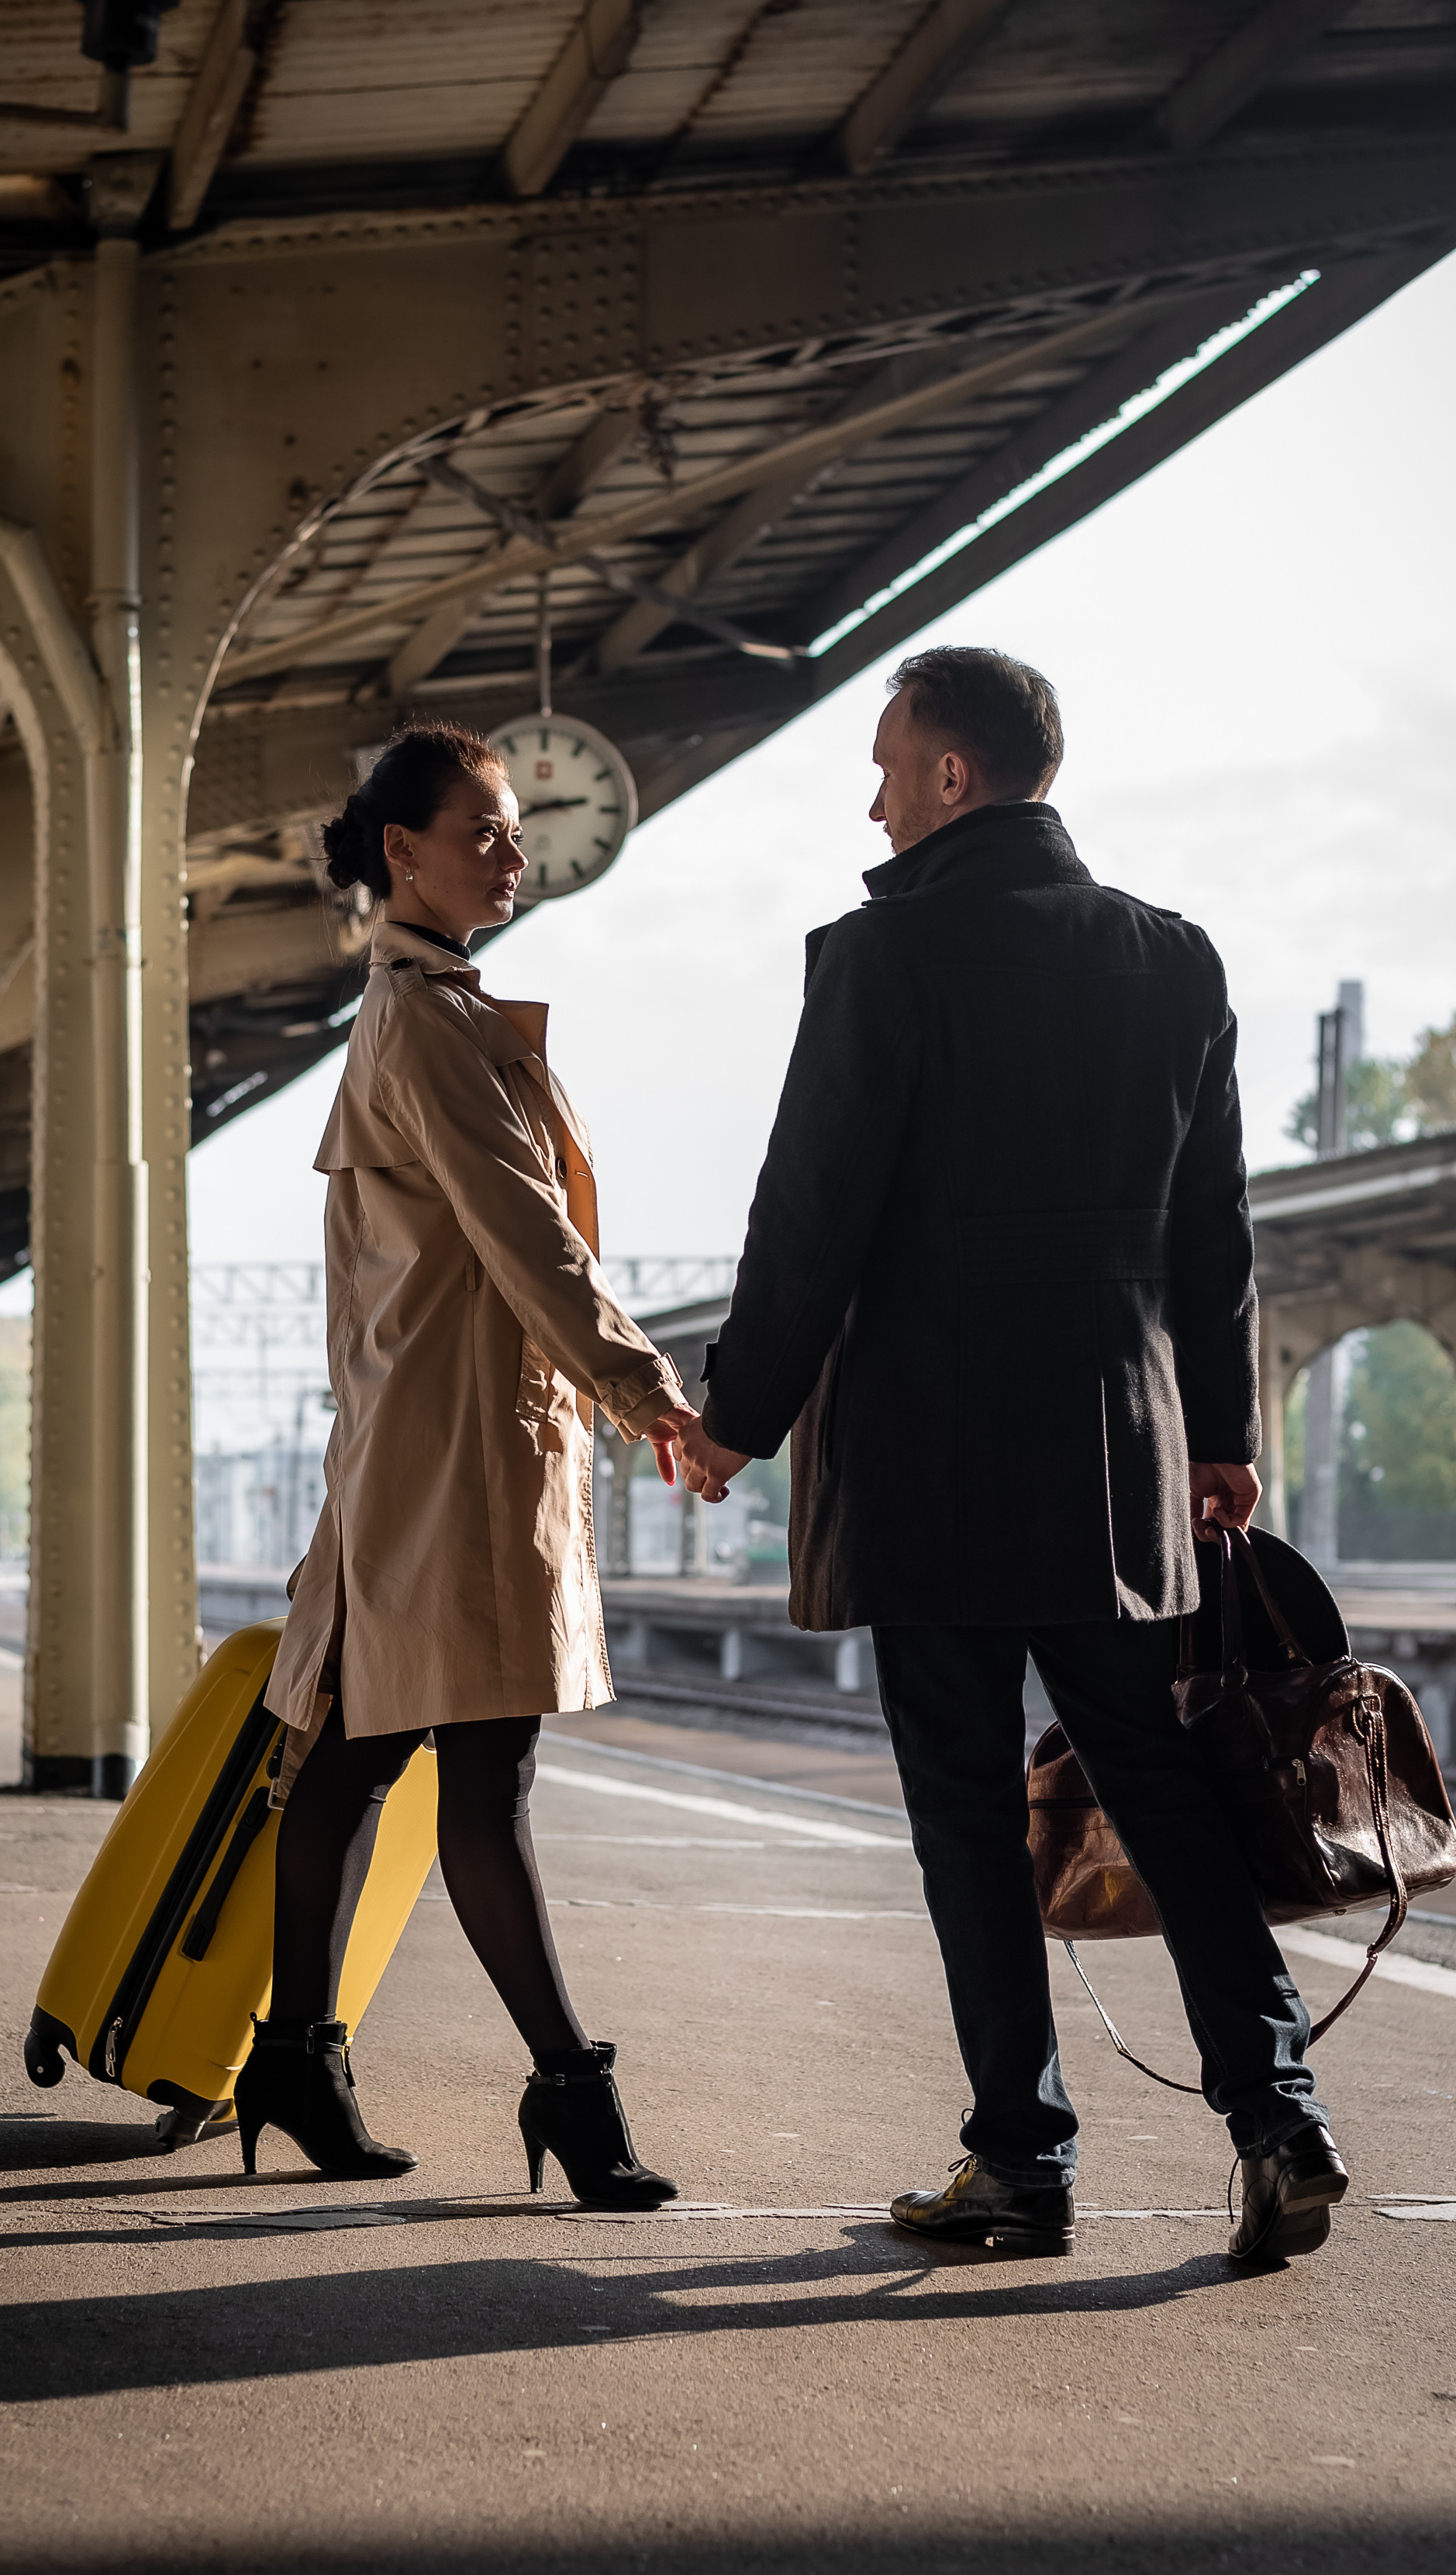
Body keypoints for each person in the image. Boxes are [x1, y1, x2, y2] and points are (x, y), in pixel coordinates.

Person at [678, 647, 1347, 2266]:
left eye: (886, 767)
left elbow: (810, 1216)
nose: (874, 803)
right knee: (1163, 1788)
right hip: (1114, 1461)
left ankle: (1021, 2158)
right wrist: (1221, 1433)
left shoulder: (881, 955)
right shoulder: (1173, 960)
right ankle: (1278, 2117)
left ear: (952, 775)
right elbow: (1215, 1231)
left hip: (930, 1461)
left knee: (968, 1817)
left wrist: (733, 1414)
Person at [245, 720, 692, 2207]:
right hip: (452, 1455)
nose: (514, 852)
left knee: (361, 1750)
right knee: (482, 1774)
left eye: (513, 829)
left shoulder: (424, 1007)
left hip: (431, 1439)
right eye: (485, 828)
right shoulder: (428, 1020)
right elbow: (527, 1236)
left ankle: (295, 2057)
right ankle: (571, 2092)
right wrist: (650, 1391)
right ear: (404, 850)